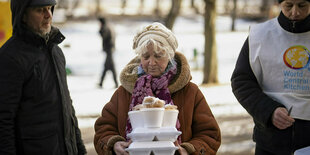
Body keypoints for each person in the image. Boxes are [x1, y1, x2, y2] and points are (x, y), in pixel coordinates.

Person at [94, 22, 221, 155]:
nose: (152, 62)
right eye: (146, 56)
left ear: (170, 56)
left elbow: (210, 134)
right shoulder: (123, 93)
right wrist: (114, 144)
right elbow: (103, 129)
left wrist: (188, 150)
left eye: (158, 56)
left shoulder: (190, 92)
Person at [0, 0, 86, 154]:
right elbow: (3, 119)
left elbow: (67, 107)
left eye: (49, 8)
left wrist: (79, 149)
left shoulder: (56, 51)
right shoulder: (10, 57)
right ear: (23, 15)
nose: (48, 15)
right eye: (40, 10)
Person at [231, 0, 310, 154]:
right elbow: (241, 81)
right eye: (289, 5)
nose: (295, 12)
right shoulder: (259, 35)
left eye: (302, 5)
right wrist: (269, 111)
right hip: (270, 140)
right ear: (279, 4)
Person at [97, 17, 118, 88]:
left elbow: (103, 35)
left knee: (110, 66)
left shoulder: (105, 27)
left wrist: (100, 29)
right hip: (110, 49)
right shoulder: (109, 26)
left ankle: (115, 83)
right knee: (107, 67)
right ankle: (101, 83)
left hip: (109, 50)